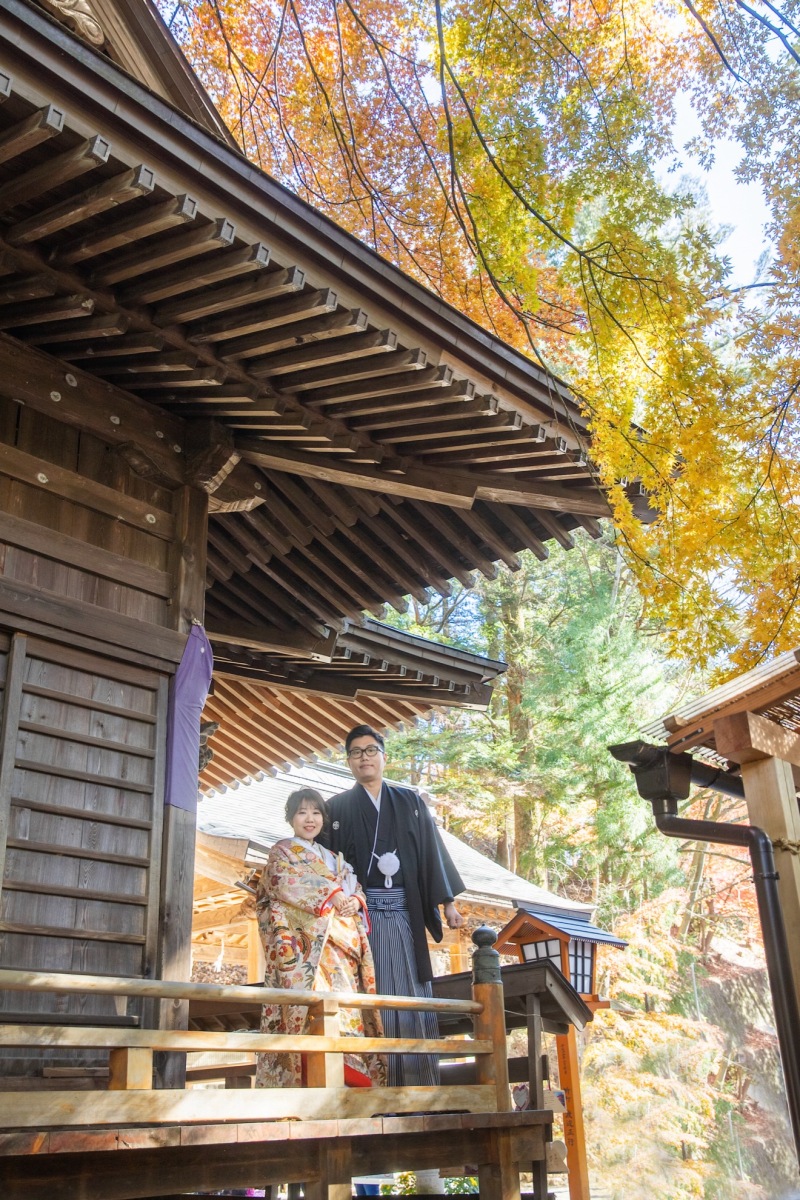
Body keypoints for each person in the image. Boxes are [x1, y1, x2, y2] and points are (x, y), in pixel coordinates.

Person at [322, 724, 465, 1086]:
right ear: (349, 762)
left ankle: (421, 1084)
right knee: (373, 993)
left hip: (405, 913)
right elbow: (326, 868)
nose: (364, 758)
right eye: (356, 752)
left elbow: (432, 853)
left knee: (412, 991)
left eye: (371, 750)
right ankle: (381, 1084)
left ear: (384, 757)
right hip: (361, 919)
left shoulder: (410, 803)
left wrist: (447, 903)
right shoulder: (335, 808)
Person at [254, 787, 385, 1089]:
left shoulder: (334, 858)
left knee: (346, 1008)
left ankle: (352, 1076)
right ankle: (313, 1079)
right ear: (291, 818)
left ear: (324, 818)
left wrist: (356, 900)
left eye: (315, 812)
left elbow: (354, 888)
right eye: (302, 812)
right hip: (307, 950)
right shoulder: (283, 852)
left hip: (343, 944)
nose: (309, 819)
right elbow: (279, 882)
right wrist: (333, 893)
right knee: (313, 1010)